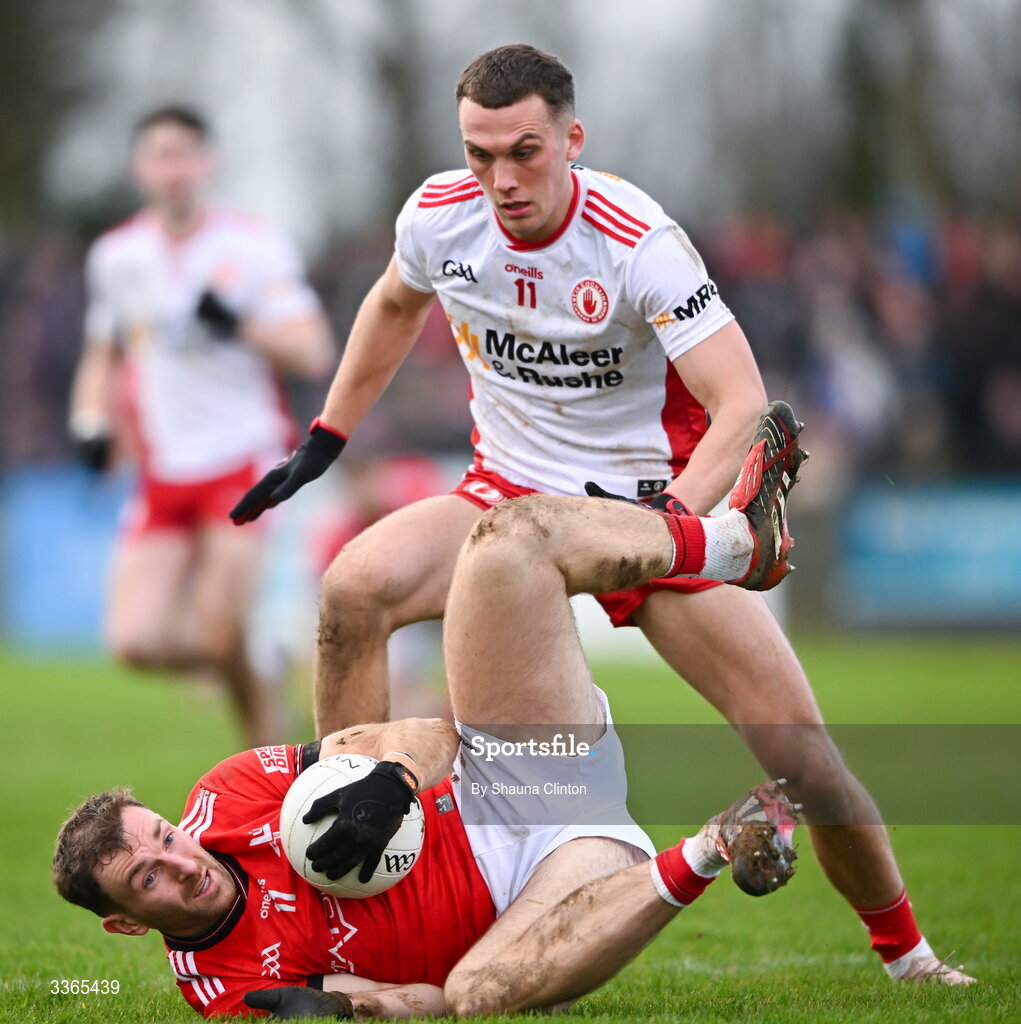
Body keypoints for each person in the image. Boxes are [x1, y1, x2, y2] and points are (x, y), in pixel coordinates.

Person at [229, 46, 975, 985]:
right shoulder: (438, 217)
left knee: (805, 763)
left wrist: (654, 530)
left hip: (649, 516)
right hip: (503, 502)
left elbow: (741, 403)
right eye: (479, 153)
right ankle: (353, 861)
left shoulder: (635, 239)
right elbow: (390, 303)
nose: (500, 179)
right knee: (352, 591)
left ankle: (908, 959)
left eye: (525, 152)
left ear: (572, 140)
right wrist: (327, 437)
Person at [53, 419, 805, 1019]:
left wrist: (391, 779)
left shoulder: (233, 791)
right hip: (546, 894)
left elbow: (430, 734)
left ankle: (728, 543)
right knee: (481, 993)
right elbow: (428, 999)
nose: (183, 863)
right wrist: (350, 1015)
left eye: (164, 837)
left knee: (502, 538)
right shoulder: (223, 989)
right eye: (147, 877)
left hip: (515, 768)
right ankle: (718, 843)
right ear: (125, 924)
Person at [68, 104, 335, 746]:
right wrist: (89, 422)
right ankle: (260, 664)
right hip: (164, 469)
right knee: (134, 641)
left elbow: (314, 349)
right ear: (141, 168)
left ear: (206, 163)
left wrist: (239, 323)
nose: (174, 168)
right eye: (160, 155)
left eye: (185, 153)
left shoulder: (251, 244)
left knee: (219, 631)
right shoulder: (117, 256)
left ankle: (270, 759)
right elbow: (103, 355)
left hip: (242, 457)